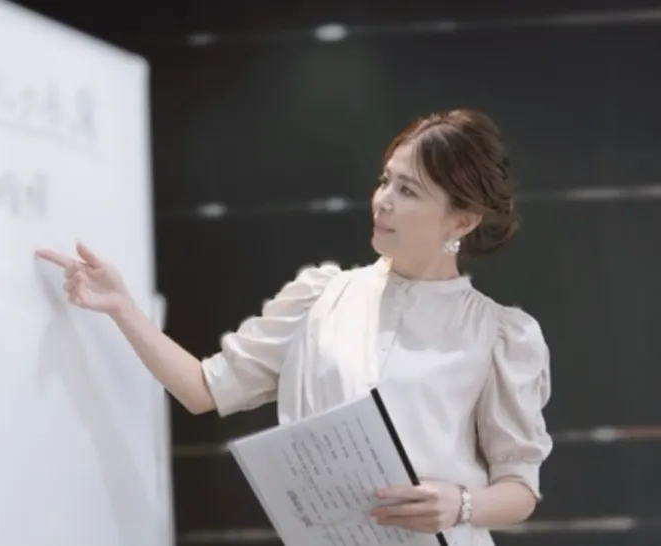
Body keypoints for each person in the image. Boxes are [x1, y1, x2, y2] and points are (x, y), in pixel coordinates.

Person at [35, 108, 553, 544]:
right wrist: (123, 308)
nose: (383, 200)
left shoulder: (499, 335)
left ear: (461, 220)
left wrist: (460, 505)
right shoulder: (319, 296)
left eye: (409, 190)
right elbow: (203, 389)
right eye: (385, 180)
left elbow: (520, 488)